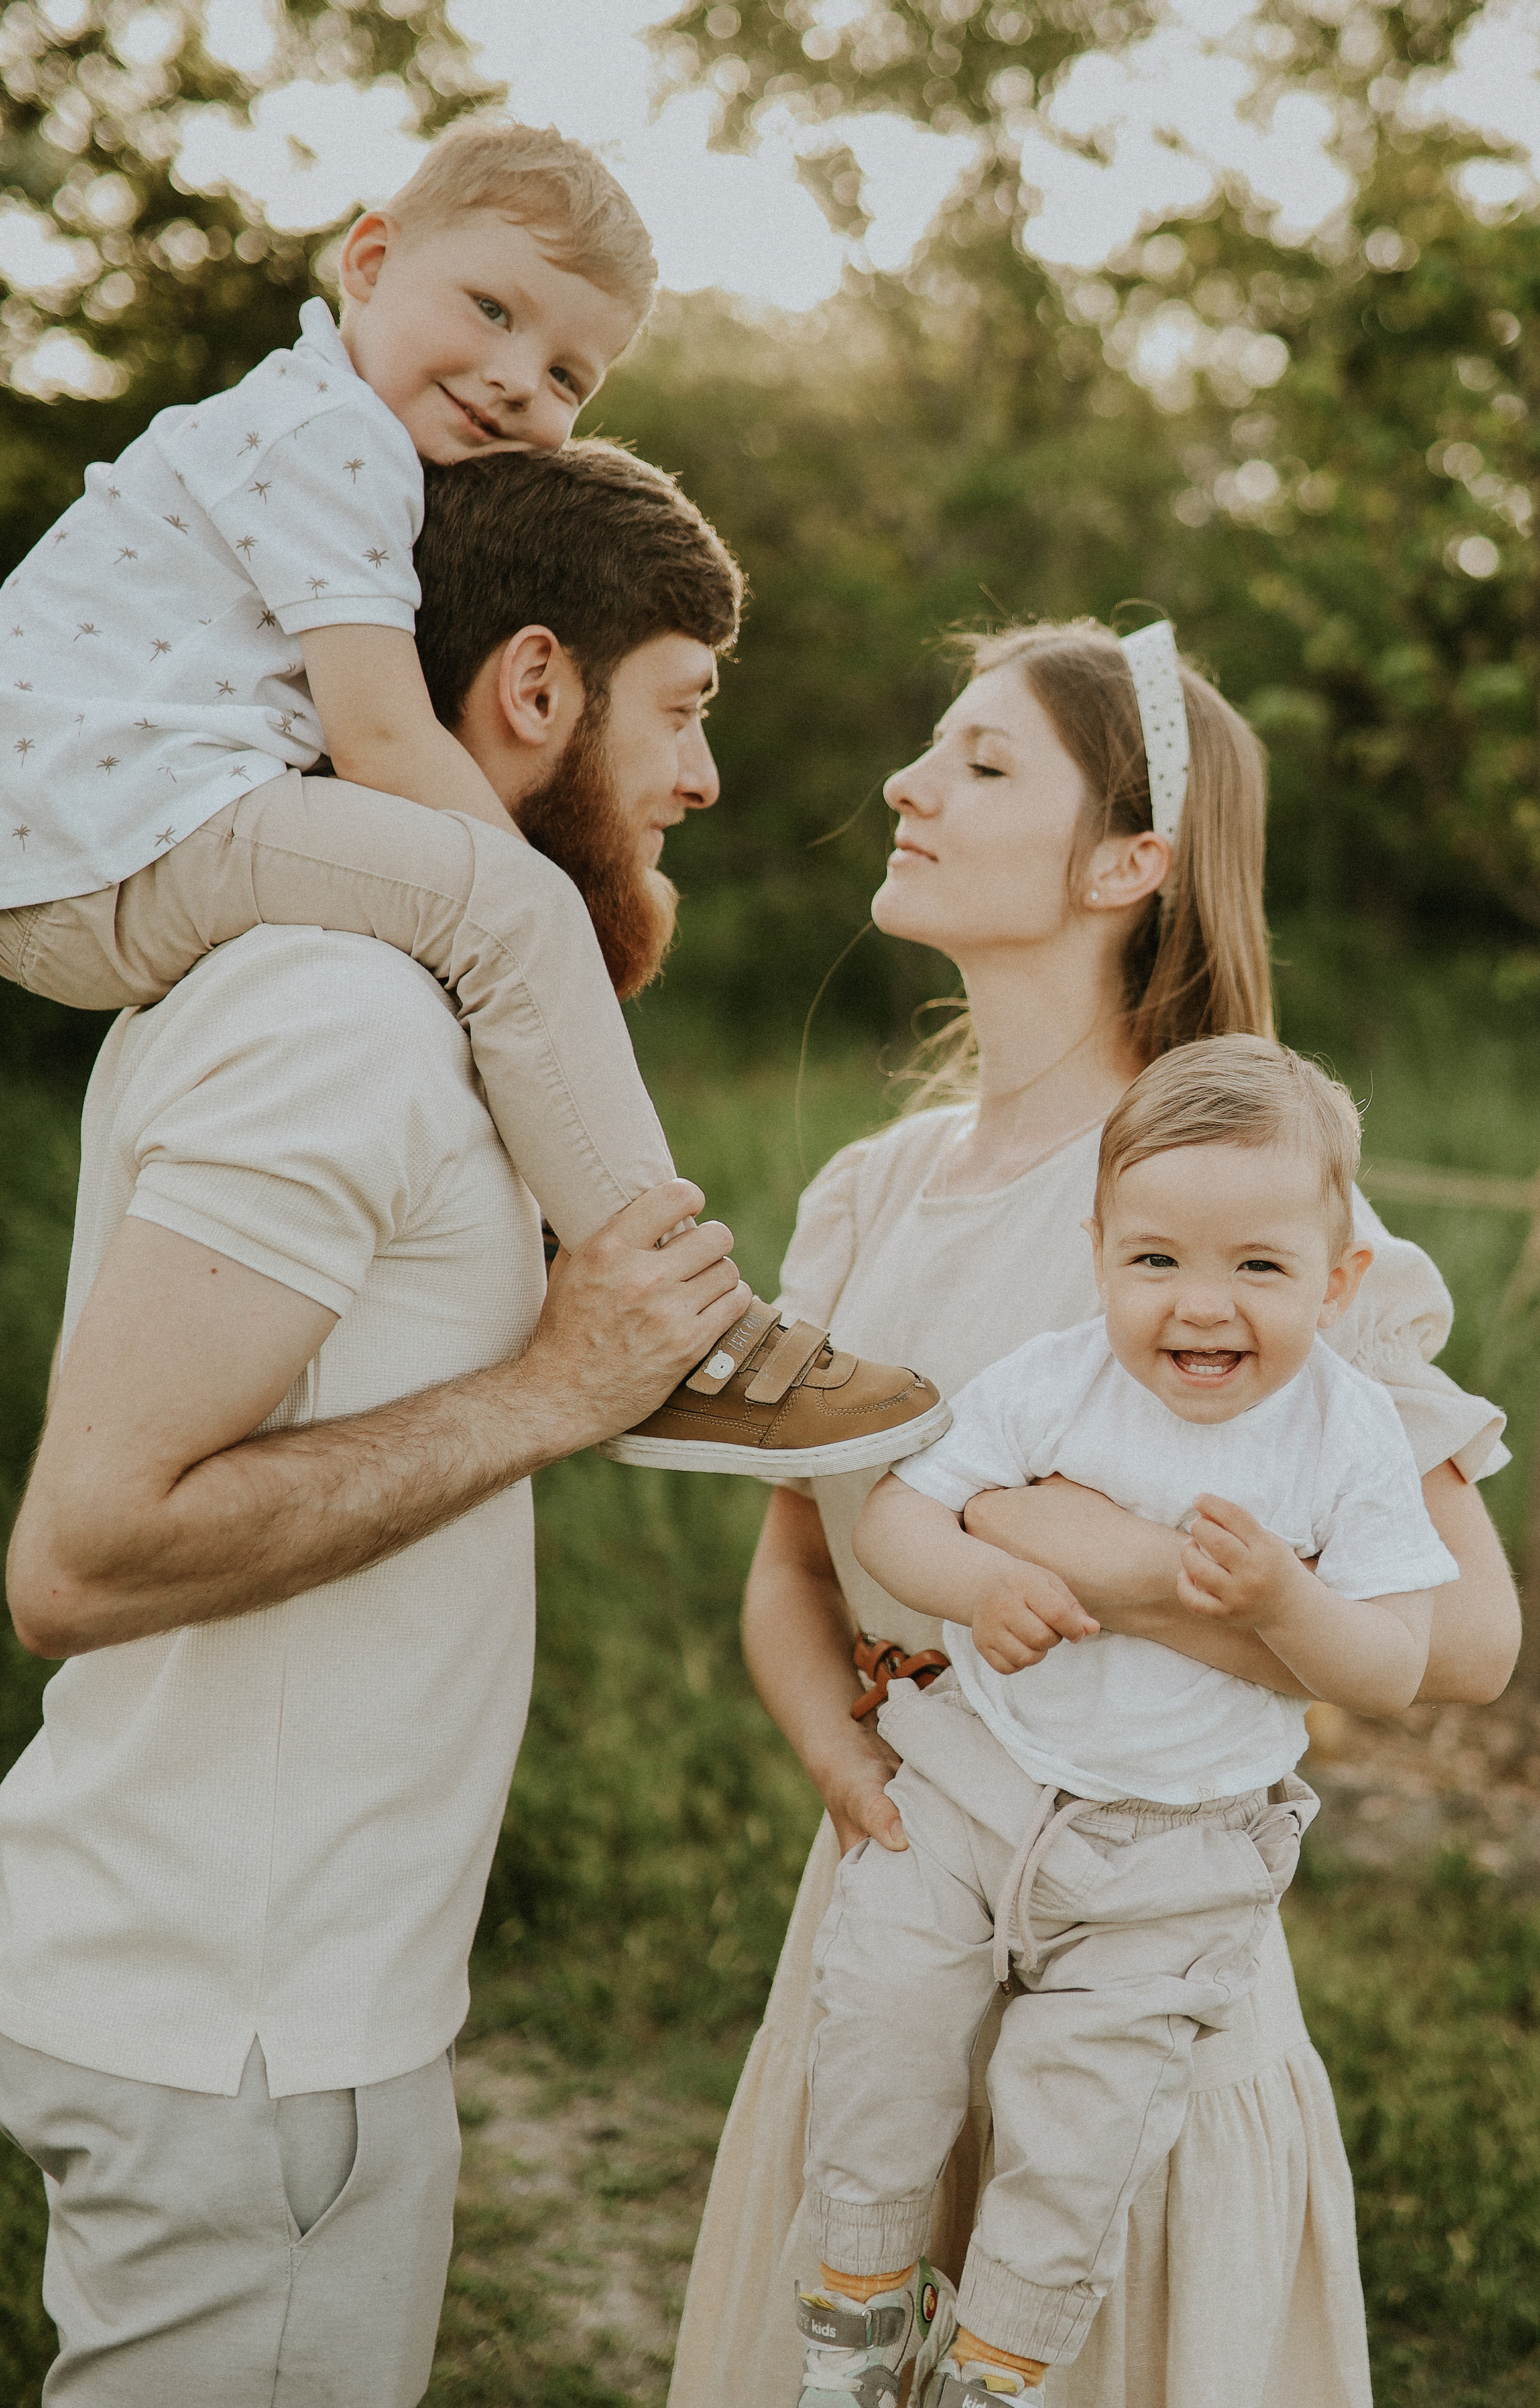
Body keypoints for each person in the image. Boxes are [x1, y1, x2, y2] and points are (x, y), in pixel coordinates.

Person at [0, 439, 919, 2408]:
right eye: (683, 704)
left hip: (265, 2002)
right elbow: (82, 1550)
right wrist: (556, 1389)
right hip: (239, 2035)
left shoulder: (404, 1010)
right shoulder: (340, 1011)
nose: (699, 776)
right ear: (530, 689)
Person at [644, 618, 1520, 2408]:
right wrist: (840, 1758)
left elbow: (1461, 1634)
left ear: (1127, 864)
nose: (907, 786)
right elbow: (800, 1562)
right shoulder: (873, 1191)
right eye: (926, 751)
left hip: (1138, 1936)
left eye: (976, 762)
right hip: (895, 1898)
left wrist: (1100, 1559)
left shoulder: (1232, 1203)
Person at [0, 118, 942, 1479]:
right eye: (490, 309)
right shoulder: (330, 434)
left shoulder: (308, 429)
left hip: (95, 836)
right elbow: (384, 736)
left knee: (486, 919)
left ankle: (600, 1242)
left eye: (566, 370)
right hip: (116, 828)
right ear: (369, 262)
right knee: (510, 907)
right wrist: (527, 909)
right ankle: (683, 1338)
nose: (513, 379)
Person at [791, 1039, 1461, 2408]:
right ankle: (855, 2306)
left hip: (1174, 1852)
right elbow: (905, 1511)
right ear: (1092, 1253)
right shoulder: (1050, 1381)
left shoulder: (1344, 1435)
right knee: (883, 2018)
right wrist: (986, 1575)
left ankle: (995, 2382)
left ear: (1336, 1279)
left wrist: (1285, 1602)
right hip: (979, 1785)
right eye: (1152, 1255)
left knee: (1076, 2119)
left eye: (1256, 1265)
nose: (1199, 1302)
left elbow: (1391, 1666)